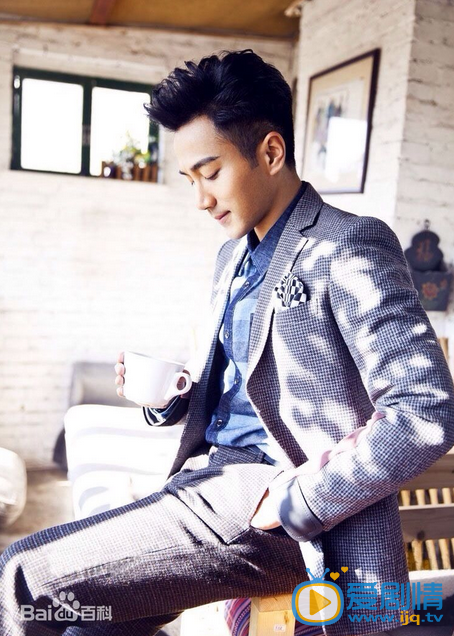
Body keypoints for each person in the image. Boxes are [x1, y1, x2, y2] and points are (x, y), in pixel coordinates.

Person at [1, 49, 453, 636]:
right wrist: (172, 396)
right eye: (190, 180)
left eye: (210, 172)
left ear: (271, 152)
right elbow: (241, 390)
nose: (201, 199)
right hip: (207, 481)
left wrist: (302, 502)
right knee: (86, 624)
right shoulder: (232, 257)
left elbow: (425, 409)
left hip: (283, 506)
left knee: (22, 576)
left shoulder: (348, 244)